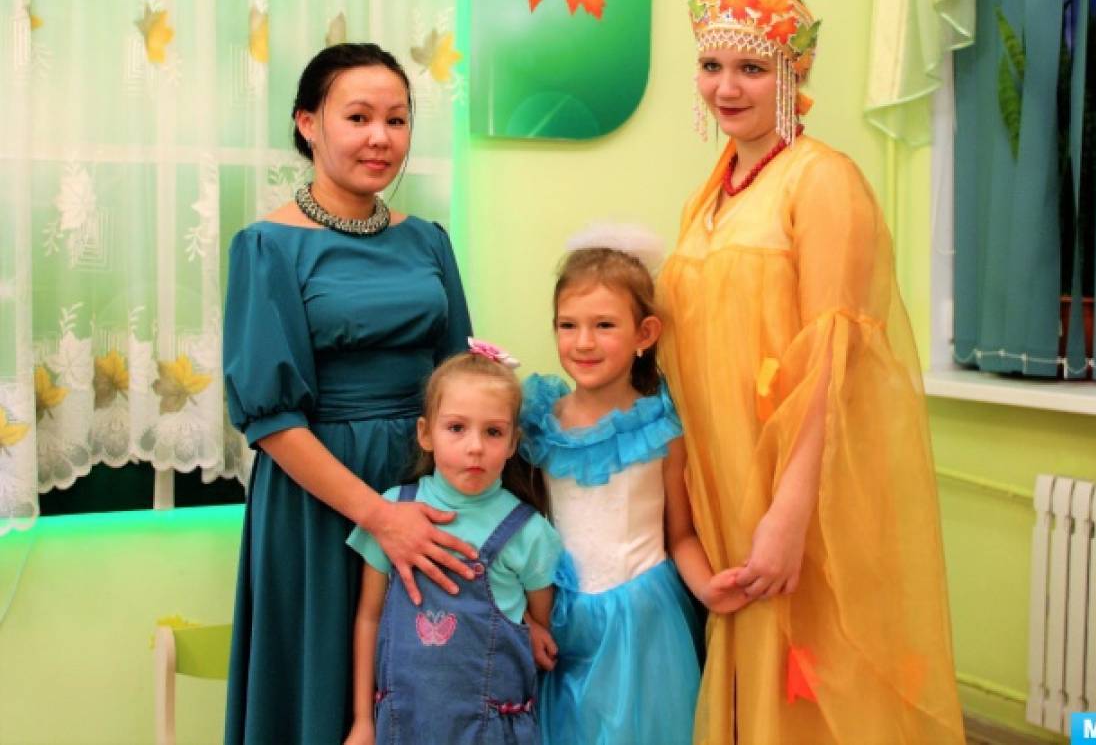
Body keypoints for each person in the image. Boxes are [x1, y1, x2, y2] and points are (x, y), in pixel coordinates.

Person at [654, 0, 965, 744]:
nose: (726, 88)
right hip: (727, 485)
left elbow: (833, 361)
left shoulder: (822, 180)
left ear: (792, 72)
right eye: (711, 65)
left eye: (751, 69)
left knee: (814, 678)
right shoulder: (709, 197)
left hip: (799, 492)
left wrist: (789, 514)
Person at [222, 42, 476, 744]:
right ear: (308, 124)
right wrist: (378, 517)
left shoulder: (428, 241)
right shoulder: (267, 247)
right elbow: (271, 421)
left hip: (422, 492)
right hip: (319, 503)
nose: (380, 138)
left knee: (431, 685)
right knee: (325, 693)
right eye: (357, 117)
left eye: (396, 120)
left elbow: (458, 381)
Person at [520, 227, 738, 745]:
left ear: (645, 334)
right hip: (563, 618)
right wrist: (528, 616)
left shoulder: (662, 428)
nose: (583, 342)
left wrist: (708, 588)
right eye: (568, 325)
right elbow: (523, 532)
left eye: (604, 325)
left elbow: (679, 534)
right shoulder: (538, 424)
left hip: (644, 619)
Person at [344, 346, 562, 745]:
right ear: (426, 434)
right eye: (457, 428)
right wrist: (362, 720)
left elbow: (538, 626)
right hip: (402, 727)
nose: (475, 446)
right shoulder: (391, 514)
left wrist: (527, 624)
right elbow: (369, 618)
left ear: (513, 443)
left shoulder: (528, 532)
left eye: (493, 432)